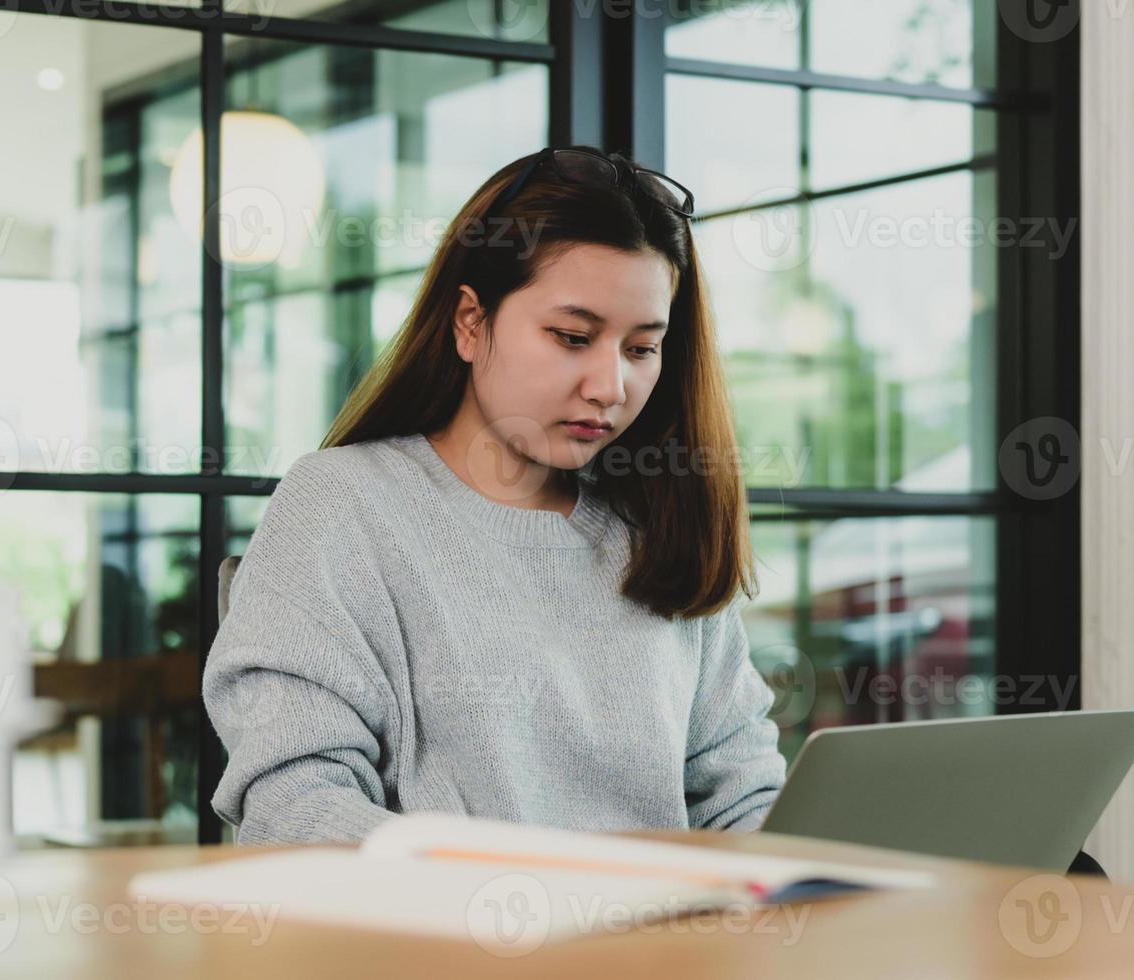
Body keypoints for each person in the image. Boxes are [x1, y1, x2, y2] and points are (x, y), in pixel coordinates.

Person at [203, 145, 786, 845]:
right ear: (470, 323)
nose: (608, 387)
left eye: (640, 349)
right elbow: (293, 804)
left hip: (670, 947)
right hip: (445, 942)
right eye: (572, 337)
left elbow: (741, 797)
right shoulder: (342, 505)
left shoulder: (656, 528)